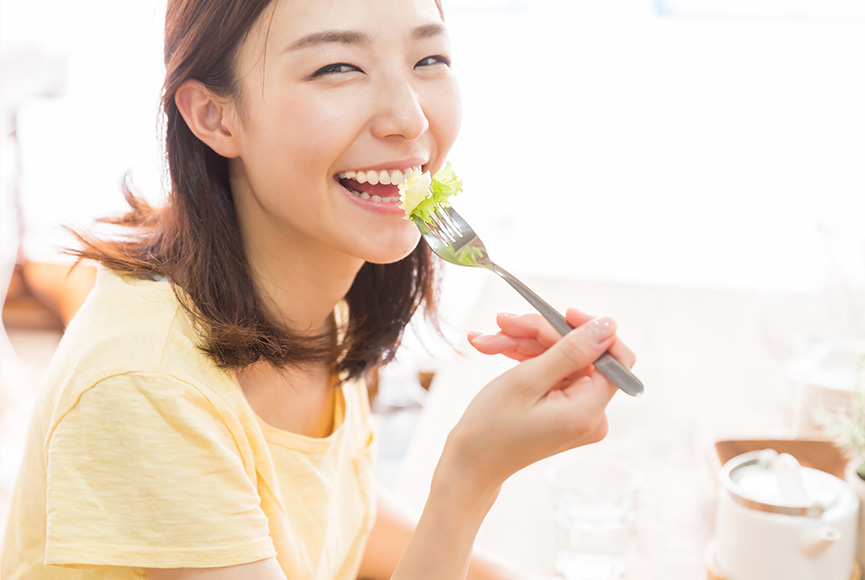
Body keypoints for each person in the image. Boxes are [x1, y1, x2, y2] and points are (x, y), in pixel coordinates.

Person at [0, 0, 636, 578]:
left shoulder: (312, 274)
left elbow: (332, 514)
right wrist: (469, 474)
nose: (409, 119)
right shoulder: (146, 384)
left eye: (429, 58)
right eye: (337, 68)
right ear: (214, 115)